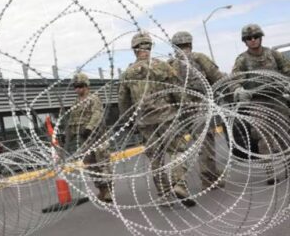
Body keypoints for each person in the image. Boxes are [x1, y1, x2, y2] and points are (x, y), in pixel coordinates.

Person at [118, 31, 195, 207]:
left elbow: (124, 102)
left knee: (156, 159)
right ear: (150, 47)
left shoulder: (128, 73)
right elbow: (177, 91)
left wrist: (128, 122)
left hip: (145, 121)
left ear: (134, 50)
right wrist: (185, 110)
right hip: (167, 116)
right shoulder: (163, 67)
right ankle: (179, 184)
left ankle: (164, 195)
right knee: (178, 150)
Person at [231, 24, 290, 184]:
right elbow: (235, 79)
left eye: (256, 37)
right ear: (245, 41)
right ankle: (271, 172)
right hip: (257, 102)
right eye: (249, 38)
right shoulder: (242, 60)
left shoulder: (273, 55)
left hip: (278, 99)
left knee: (285, 134)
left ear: (261, 37)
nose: (253, 40)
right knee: (263, 137)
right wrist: (239, 90)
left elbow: (287, 71)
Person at [168, 31, 226, 189]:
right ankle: (209, 178)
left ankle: (179, 182)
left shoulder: (170, 64)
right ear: (190, 44)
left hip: (178, 111)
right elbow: (218, 78)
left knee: (179, 148)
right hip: (199, 107)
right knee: (205, 144)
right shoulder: (199, 58)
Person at [65, 73, 113, 202]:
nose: (77, 89)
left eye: (80, 86)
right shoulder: (75, 103)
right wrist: (69, 135)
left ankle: (108, 190)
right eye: (75, 87)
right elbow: (72, 120)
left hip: (97, 137)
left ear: (86, 86)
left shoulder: (94, 99)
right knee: (90, 166)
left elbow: (97, 114)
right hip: (84, 140)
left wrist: (89, 128)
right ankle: (101, 190)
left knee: (103, 163)